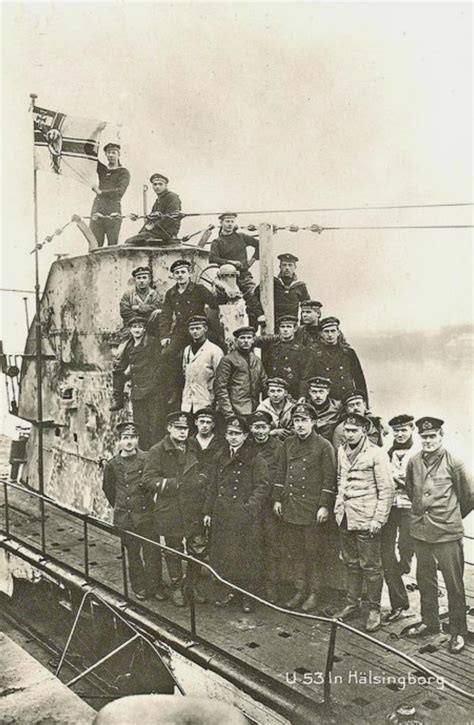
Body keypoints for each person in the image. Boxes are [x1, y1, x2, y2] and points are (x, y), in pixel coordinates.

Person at [405, 417, 473, 654]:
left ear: (441, 436)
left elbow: (468, 496)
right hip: (421, 531)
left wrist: (450, 518)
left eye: (432, 436)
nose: (428, 441)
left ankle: (457, 632)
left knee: (454, 585)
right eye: (424, 437)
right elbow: (411, 489)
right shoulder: (413, 461)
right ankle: (430, 621)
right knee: (425, 579)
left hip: (446, 533)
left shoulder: (455, 462)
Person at [333, 412, 394, 631]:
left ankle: (374, 610)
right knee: (350, 562)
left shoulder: (377, 454)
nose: (348, 435)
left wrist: (379, 519)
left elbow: (386, 489)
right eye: (346, 430)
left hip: (367, 519)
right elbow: (341, 481)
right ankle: (352, 605)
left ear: (364, 431)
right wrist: (338, 509)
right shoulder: (341, 450)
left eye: (353, 431)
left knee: (371, 566)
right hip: (345, 517)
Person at [273, 403, 337, 612]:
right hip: (291, 507)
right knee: (296, 551)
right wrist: (277, 499)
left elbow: (330, 479)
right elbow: (281, 473)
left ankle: (314, 593)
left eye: (304, 420)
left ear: (314, 422)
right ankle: (300, 589)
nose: (299, 425)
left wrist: (324, 506)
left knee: (313, 552)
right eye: (296, 421)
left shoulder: (324, 445)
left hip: (312, 509)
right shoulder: (288, 444)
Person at [143, 412, 210, 607]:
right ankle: (177, 587)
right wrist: (175, 484)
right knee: (173, 549)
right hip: (170, 507)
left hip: (193, 506)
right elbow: (148, 480)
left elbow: (206, 468)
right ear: (169, 428)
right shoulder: (157, 451)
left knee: (197, 546)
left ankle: (191, 585)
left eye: (185, 428)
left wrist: (201, 480)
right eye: (178, 428)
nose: (183, 432)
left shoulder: (193, 446)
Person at [203, 416, 269, 613]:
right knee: (225, 554)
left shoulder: (254, 457)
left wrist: (249, 509)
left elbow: (262, 487)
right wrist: (208, 511)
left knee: (247, 556)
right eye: (230, 434)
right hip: (223, 512)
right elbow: (213, 486)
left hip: (245, 515)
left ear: (245, 435)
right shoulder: (220, 456)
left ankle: (248, 597)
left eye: (237, 434)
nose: (233, 437)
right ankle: (228, 591)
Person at [102, 421, 164, 601]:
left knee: (152, 552)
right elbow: (108, 489)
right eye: (125, 438)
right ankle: (139, 586)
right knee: (133, 554)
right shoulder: (113, 464)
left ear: (137, 440)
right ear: (119, 441)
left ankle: (156, 586)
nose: (129, 442)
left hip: (146, 514)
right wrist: (122, 506)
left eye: (133, 438)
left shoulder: (146, 459)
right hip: (126, 517)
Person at [159, 259, 217, 409]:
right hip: (180, 331)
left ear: (189, 274)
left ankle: (211, 391)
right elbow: (165, 315)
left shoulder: (199, 289)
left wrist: (220, 291)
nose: (180, 275)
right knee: (168, 354)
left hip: (198, 328)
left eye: (183, 272)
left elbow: (214, 303)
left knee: (209, 355)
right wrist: (165, 335)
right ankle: (175, 390)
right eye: (177, 273)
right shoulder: (171, 293)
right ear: (173, 275)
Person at [381, 414, 416, 623]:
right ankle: (399, 604)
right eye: (397, 431)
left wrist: (404, 482)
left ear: (412, 430)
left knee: (406, 546)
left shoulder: (419, 453)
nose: (400, 434)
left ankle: (406, 564)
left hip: (410, 508)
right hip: (390, 507)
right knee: (386, 554)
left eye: (404, 430)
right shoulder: (388, 453)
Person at [110, 316, 162, 450]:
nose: (137, 330)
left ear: (144, 329)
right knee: (141, 427)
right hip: (137, 392)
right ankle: (144, 455)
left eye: (140, 327)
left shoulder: (152, 342)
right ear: (130, 330)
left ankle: (155, 456)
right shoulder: (128, 346)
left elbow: (160, 365)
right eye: (134, 327)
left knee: (155, 426)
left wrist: (154, 384)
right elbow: (126, 366)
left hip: (152, 391)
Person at [249, 410, 284, 603]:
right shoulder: (247, 447)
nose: (260, 431)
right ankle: (253, 586)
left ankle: (272, 586)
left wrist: (276, 499)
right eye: (256, 427)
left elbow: (281, 474)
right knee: (252, 544)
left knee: (272, 544)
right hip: (253, 504)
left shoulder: (279, 448)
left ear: (270, 428)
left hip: (270, 505)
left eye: (263, 427)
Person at [309, 317, 368, 403]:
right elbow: (308, 378)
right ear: (321, 334)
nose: (330, 335)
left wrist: (364, 402)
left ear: (338, 333)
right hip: (326, 402)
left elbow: (359, 379)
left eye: (333, 331)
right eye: (326, 331)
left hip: (346, 399)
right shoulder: (314, 353)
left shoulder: (348, 352)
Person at [214, 326, 267, 420]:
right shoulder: (228, 360)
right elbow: (221, 388)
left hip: (254, 410)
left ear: (253, 340)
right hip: (236, 411)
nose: (246, 341)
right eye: (242, 338)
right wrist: (229, 414)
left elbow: (264, 384)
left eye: (249, 338)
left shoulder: (256, 360)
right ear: (236, 340)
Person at [257, 315, 311, 400]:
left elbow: (305, 376)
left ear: (295, 329)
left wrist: (302, 395)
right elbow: (265, 372)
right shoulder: (272, 349)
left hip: (293, 393)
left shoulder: (302, 350)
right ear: (279, 329)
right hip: (274, 393)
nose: (285, 330)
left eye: (289, 327)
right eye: (282, 327)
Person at [251, 252, 311, 325]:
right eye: (284, 265)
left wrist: (303, 324)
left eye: (290, 265)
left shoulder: (300, 286)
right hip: (273, 324)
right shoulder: (271, 282)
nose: (287, 268)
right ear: (280, 267)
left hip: (291, 325)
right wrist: (260, 314)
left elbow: (307, 306)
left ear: (295, 267)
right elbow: (254, 298)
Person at [90, 142, 130, 247]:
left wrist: (101, 192)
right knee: (95, 244)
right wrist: (96, 131)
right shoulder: (102, 170)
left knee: (112, 245)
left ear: (119, 154)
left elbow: (120, 192)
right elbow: (89, 152)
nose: (111, 155)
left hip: (113, 211)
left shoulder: (123, 172)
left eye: (113, 152)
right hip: (98, 209)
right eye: (108, 153)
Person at [209, 213, 259, 298]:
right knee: (219, 298)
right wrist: (229, 262)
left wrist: (251, 262)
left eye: (232, 221)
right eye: (227, 221)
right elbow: (212, 258)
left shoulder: (241, 237)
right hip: (225, 278)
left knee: (254, 296)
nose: (230, 224)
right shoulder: (217, 242)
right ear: (221, 223)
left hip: (244, 276)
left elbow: (260, 245)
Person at [124, 173, 181, 246]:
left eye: (160, 184)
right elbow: (150, 219)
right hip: (157, 232)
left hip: (167, 233)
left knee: (130, 242)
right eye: (155, 184)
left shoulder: (172, 197)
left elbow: (171, 218)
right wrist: (142, 232)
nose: (157, 187)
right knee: (133, 241)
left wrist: (153, 226)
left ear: (165, 186)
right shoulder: (158, 201)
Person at [181, 316, 224, 413]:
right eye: (192, 329)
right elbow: (185, 372)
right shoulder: (187, 350)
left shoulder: (214, 350)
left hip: (205, 400)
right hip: (188, 401)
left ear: (205, 329)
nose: (195, 331)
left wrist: (216, 399)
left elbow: (220, 377)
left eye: (198, 328)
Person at [303, 376, 341, 443]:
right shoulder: (303, 407)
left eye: (321, 392)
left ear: (327, 391)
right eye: (314, 392)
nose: (318, 396)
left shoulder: (337, 406)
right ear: (309, 392)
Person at [187, 408, 224, 473]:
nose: (204, 425)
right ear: (196, 422)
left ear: (213, 425)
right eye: (202, 421)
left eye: (208, 422)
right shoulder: (189, 441)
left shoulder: (220, 442)